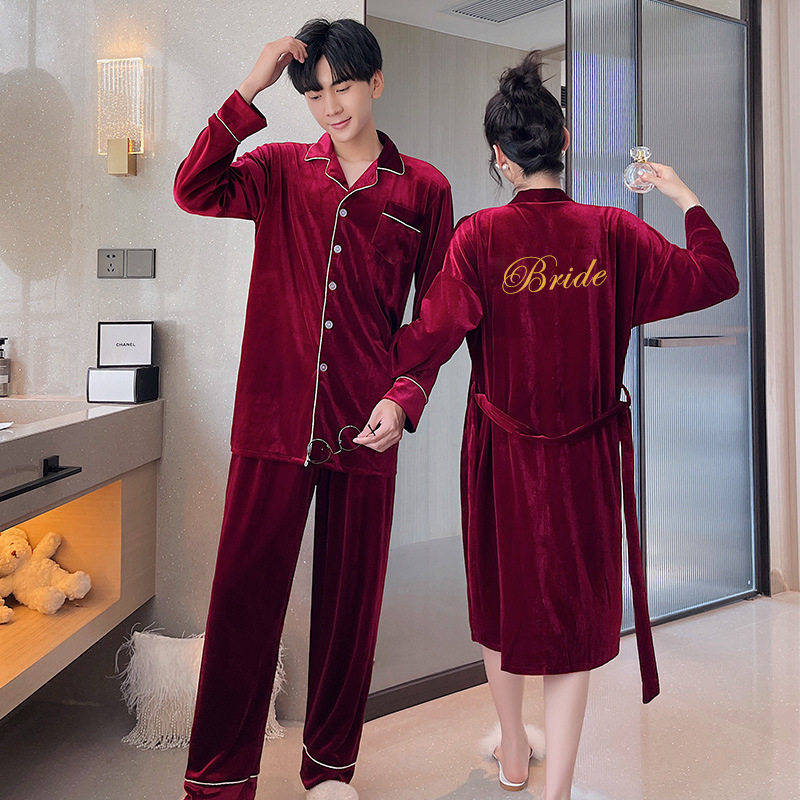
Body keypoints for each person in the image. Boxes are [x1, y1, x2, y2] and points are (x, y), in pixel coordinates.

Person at [355, 51, 738, 799]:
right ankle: (556, 784)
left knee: (502, 608)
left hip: (500, 455)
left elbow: (427, 338)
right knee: (566, 619)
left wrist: (392, 394)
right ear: (563, 141)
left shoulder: (478, 238)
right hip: (585, 460)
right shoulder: (614, 234)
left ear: (501, 158)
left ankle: (513, 758)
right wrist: (681, 192)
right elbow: (715, 274)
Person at [173, 18, 453, 800]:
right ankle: (218, 779)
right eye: (316, 93)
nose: (332, 106)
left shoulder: (424, 190)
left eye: (345, 87)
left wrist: (405, 396)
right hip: (273, 420)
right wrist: (252, 85)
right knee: (242, 605)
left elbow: (436, 309)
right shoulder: (277, 171)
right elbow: (193, 188)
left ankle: (329, 771)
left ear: (376, 83)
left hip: (366, 427)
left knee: (348, 613)